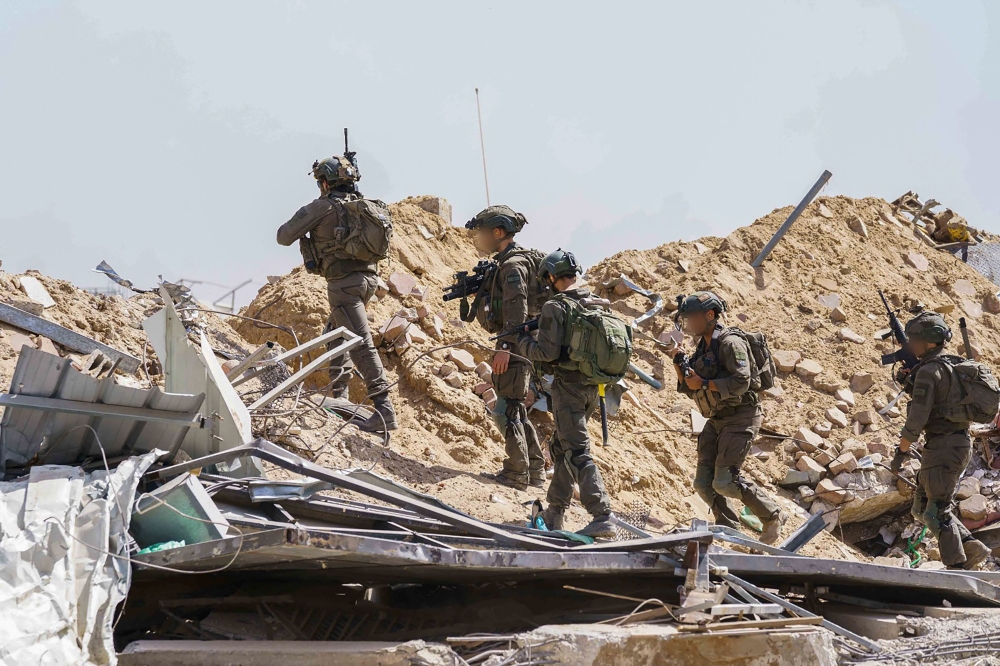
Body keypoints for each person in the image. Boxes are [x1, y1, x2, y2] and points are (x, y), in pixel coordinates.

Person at [275, 154, 396, 433]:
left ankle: (384, 410)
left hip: (343, 285)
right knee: (336, 333)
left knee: (358, 343)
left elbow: (283, 236)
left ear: (324, 183)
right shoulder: (363, 206)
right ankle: (339, 396)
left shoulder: (322, 207)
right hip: (368, 281)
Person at [670, 292, 786, 543]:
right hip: (717, 418)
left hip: (741, 416)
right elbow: (691, 388)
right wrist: (679, 364)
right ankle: (729, 527)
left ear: (710, 315)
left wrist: (704, 383)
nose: (689, 324)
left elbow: (741, 381)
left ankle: (773, 515)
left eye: (692, 318)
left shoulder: (731, 342)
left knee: (724, 481)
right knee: (703, 482)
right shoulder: (704, 346)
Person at [516, 249, 615, 538]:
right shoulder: (596, 302)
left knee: (577, 451)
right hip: (593, 388)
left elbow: (546, 353)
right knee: (562, 447)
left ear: (551, 277)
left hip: (569, 388)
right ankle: (554, 512)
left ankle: (602, 514)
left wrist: (522, 341)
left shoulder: (555, 306)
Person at [890, 312, 990, 570]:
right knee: (921, 509)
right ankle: (970, 546)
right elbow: (942, 401)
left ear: (929, 343)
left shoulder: (930, 370)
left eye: (914, 340)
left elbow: (917, 418)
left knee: (936, 513)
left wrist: (900, 453)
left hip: (945, 447)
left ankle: (957, 568)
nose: (910, 344)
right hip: (950, 445)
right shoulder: (949, 365)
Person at [465, 205, 546, 489]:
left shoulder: (512, 265)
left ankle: (516, 473)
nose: (481, 238)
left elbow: (517, 310)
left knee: (505, 409)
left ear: (498, 232)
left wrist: (504, 347)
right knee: (516, 408)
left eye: (485, 233)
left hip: (516, 345)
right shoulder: (523, 259)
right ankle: (534, 470)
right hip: (528, 344)